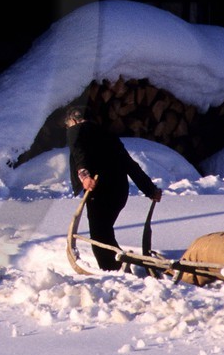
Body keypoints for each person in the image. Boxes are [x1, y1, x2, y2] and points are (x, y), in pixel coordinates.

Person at [66, 104, 162, 271]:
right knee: (105, 231)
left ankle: (113, 270)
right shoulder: (108, 135)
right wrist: (149, 189)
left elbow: (78, 152)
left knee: (99, 234)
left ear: (73, 120)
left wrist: (84, 176)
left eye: (68, 124)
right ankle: (117, 265)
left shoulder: (76, 130)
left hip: (99, 191)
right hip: (119, 192)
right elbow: (130, 164)